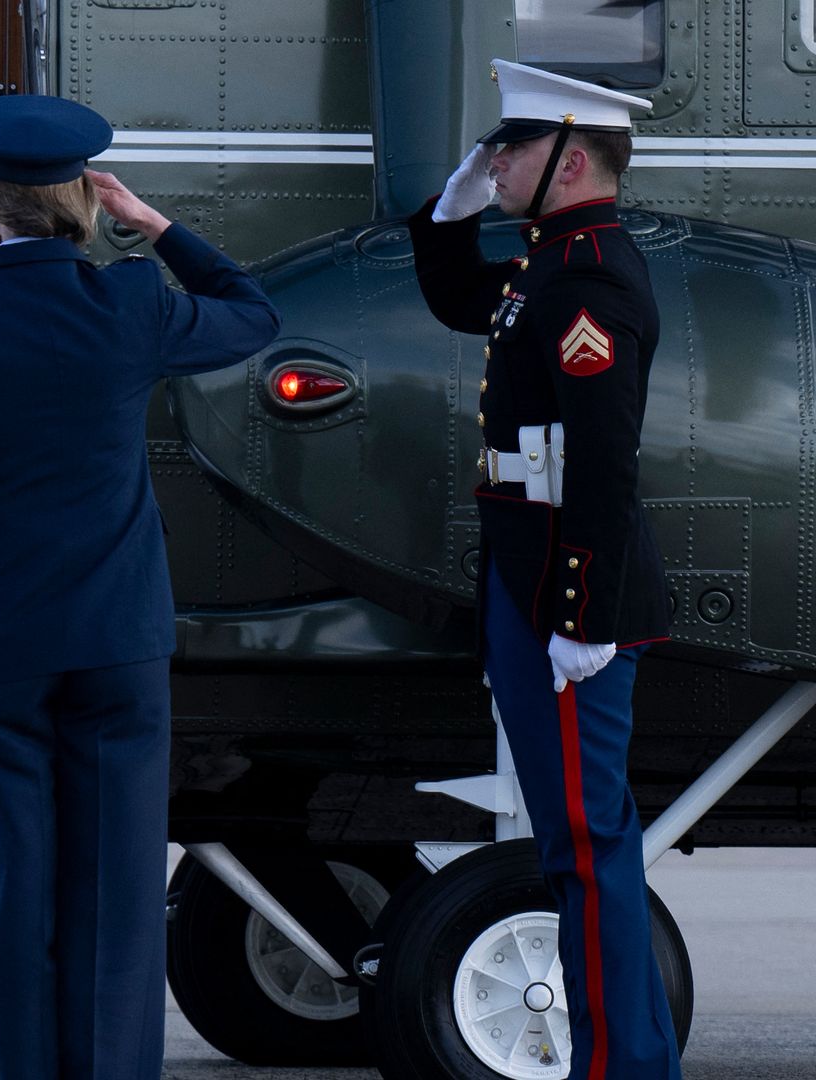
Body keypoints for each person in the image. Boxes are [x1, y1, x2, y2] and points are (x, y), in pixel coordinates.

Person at [0, 95, 279, 1080]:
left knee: (21, 895)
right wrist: (158, 227)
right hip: (115, 641)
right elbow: (252, 313)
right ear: (83, 198)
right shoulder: (134, 300)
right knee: (114, 902)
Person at [407, 59, 679, 1080]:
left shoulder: (592, 277)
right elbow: (461, 301)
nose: (494, 160)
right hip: (535, 588)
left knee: (584, 847)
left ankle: (621, 1070)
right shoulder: (552, 263)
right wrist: (449, 213)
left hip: (566, 599)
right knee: (582, 845)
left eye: (510, 146)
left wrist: (580, 614)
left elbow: (602, 463)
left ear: (569, 156)